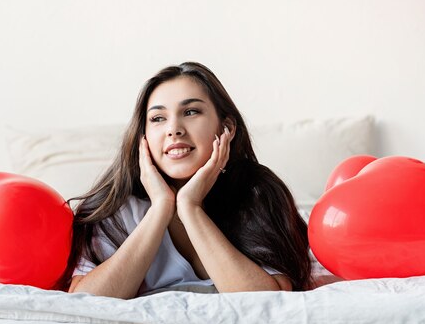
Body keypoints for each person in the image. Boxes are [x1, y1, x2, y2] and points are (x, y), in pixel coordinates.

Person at [62, 62, 312, 299]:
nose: (174, 129)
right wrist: (160, 208)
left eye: (190, 112)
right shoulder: (116, 205)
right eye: (158, 118)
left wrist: (190, 208)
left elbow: (269, 300)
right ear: (143, 136)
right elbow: (85, 300)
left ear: (227, 128)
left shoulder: (257, 193)